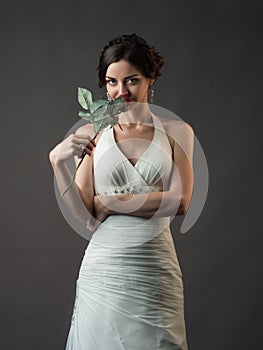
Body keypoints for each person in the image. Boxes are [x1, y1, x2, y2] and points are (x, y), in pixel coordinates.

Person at [49, 33, 194, 350]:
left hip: (154, 265)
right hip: (104, 268)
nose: (120, 91)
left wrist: (110, 202)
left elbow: (180, 201)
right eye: (111, 82)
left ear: (150, 78)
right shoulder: (92, 132)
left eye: (131, 80)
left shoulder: (177, 132)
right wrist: (57, 163)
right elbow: (83, 208)